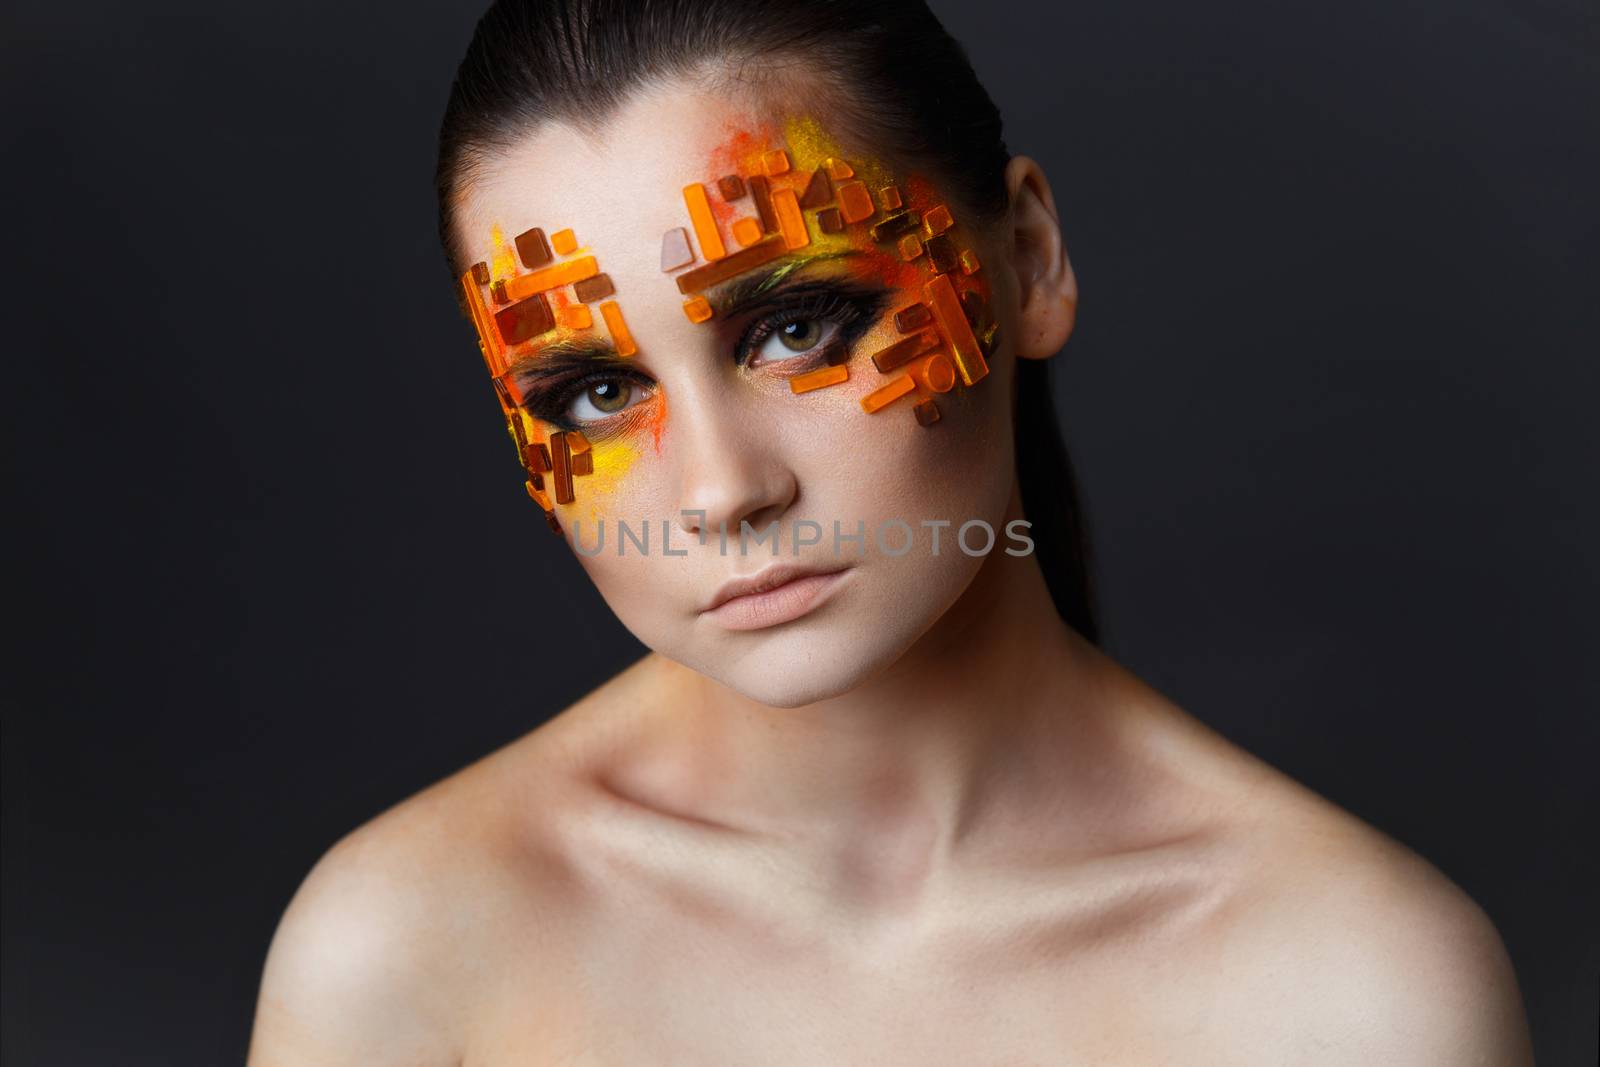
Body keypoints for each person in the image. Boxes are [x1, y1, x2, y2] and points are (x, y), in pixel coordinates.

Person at [246, 1, 1535, 1062]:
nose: (718, 490)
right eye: (595, 391)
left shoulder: (1360, 994)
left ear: (1026, 259)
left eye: (797, 325)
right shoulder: (403, 949)